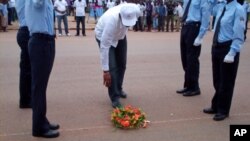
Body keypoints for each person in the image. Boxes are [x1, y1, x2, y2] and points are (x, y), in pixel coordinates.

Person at [203, 0, 246, 121]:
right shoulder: (222, 7)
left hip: (228, 47)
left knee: (226, 82)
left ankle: (223, 109)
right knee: (217, 80)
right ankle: (216, 105)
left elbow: (239, 33)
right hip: (217, 46)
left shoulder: (238, 9)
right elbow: (208, 9)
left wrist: (232, 52)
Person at [25, 0, 59, 138]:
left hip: (45, 41)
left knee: (41, 86)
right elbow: (38, 3)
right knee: (39, 87)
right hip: (40, 42)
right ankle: (38, 128)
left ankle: (42, 121)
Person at [95, 3, 139, 108]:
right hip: (103, 36)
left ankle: (118, 88)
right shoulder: (111, 21)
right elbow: (104, 47)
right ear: (120, 16)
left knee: (122, 64)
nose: (128, 25)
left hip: (120, 36)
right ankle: (114, 97)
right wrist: (105, 71)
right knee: (112, 68)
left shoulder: (135, 10)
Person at [176, 0, 212, 96]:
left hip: (194, 28)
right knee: (185, 59)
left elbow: (205, 16)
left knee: (192, 59)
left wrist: (200, 36)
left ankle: (194, 87)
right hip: (185, 27)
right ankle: (188, 85)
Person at [15, 0, 31, 109]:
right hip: (27, 31)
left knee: (26, 68)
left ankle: (25, 98)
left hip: (24, 31)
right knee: (28, 70)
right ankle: (26, 100)